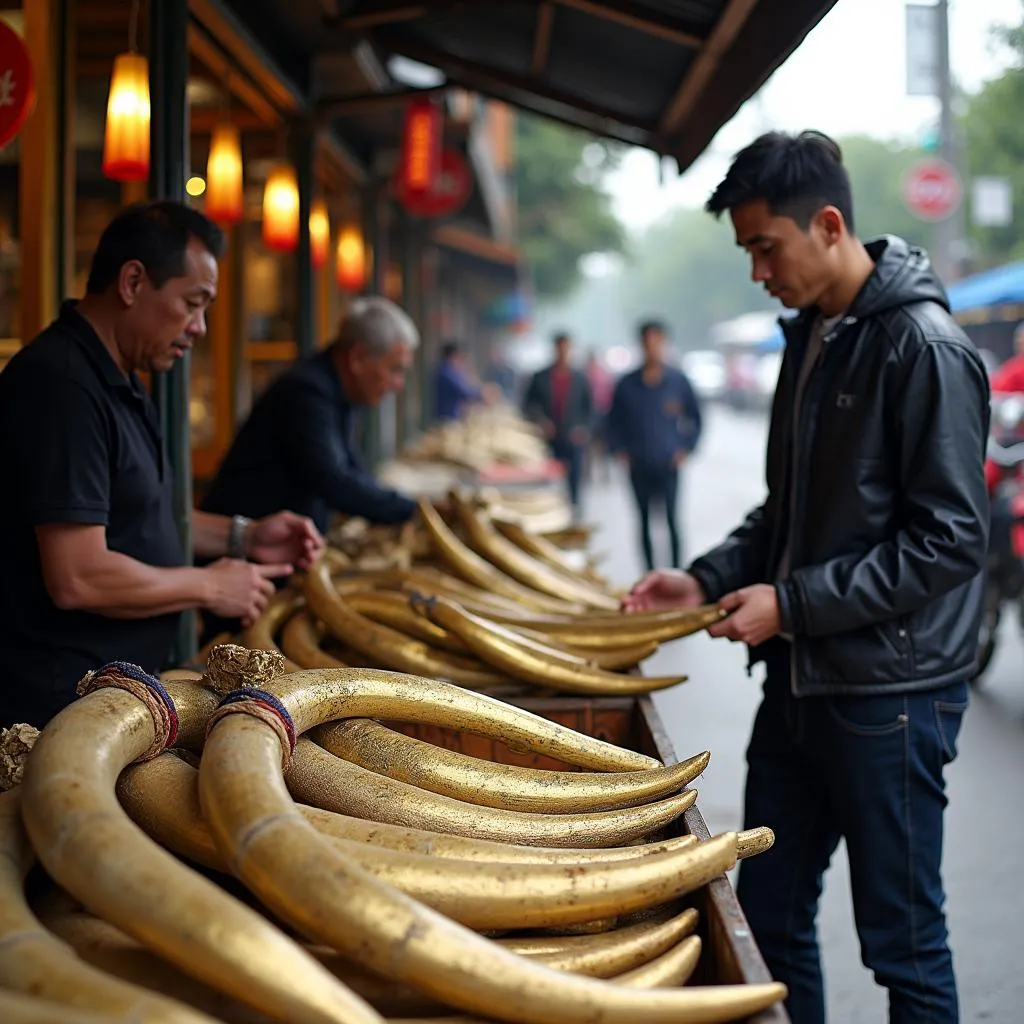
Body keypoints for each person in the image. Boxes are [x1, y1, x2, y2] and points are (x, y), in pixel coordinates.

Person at [623, 131, 989, 1024]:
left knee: (903, 948)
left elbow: (949, 542)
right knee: (769, 921)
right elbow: (785, 512)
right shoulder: (815, 337)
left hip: (890, 697)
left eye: (764, 247)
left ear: (827, 225)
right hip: (802, 681)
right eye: (746, 250)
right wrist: (706, 577)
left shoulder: (925, 348)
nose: (757, 271)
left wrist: (789, 604)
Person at [0, 201, 323, 729]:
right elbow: (78, 574)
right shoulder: (60, 386)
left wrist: (245, 536)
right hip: (58, 710)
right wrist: (209, 586)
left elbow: (137, 520)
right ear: (132, 282)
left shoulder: (121, 375)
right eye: (192, 303)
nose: (198, 328)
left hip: (119, 692)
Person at [606, 321, 702, 571]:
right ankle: (649, 572)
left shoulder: (678, 382)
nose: (652, 348)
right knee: (643, 521)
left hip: (669, 463)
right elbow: (611, 422)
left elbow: (696, 418)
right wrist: (619, 450)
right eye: (647, 342)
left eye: (657, 342)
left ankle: (677, 572)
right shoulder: (626, 384)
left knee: (672, 521)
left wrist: (686, 448)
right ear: (641, 345)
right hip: (638, 464)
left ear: (664, 343)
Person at [521, 332, 593, 514]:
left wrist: (584, 429)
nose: (563, 352)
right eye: (559, 348)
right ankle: (549, 510)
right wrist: (541, 421)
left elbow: (591, 409)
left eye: (566, 348)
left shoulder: (580, 379)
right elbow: (528, 405)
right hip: (548, 438)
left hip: (573, 438)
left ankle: (574, 510)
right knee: (547, 481)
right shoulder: (540, 377)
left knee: (574, 480)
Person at [433, 340, 485, 422]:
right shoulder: (446, 372)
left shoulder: (452, 371)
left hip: (451, 417)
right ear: (453, 356)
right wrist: (482, 392)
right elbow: (464, 390)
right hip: (446, 419)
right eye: (460, 357)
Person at [584, 352, 614, 485]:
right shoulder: (586, 376)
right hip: (592, 416)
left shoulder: (602, 375)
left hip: (601, 415)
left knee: (602, 447)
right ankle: (589, 474)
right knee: (590, 448)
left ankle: (604, 473)